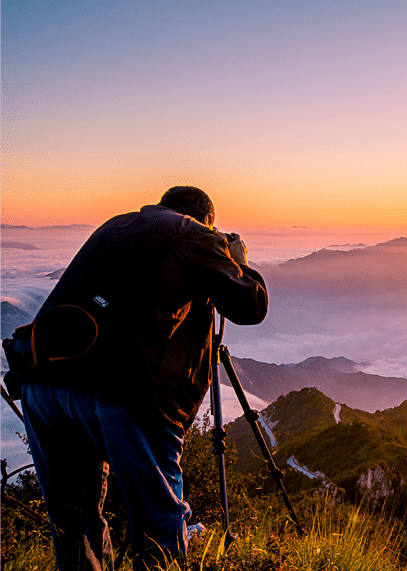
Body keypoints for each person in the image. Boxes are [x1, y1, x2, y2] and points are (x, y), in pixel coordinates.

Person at [21, 186, 268, 571]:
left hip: (44, 382)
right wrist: (239, 260)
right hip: (125, 391)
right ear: (206, 218)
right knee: (157, 526)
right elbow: (250, 305)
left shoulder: (116, 225)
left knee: (74, 524)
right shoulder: (193, 232)